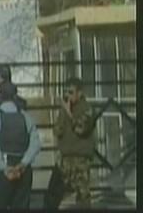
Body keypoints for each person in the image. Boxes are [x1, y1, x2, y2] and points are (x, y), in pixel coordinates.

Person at [0, 80, 41, 209]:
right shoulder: (25, 116)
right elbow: (36, 143)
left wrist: (4, 167)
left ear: (0, 96)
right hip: (23, 169)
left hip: (2, 168)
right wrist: (23, 163)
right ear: (15, 96)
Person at [44, 77, 96, 209]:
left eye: (71, 92)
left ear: (80, 93)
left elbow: (81, 129)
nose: (67, 95)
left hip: (80, 160)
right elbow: (57, 130)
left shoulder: (87, 109)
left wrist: (69, 113)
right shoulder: (65, 109)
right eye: (66, 92)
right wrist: (63, 114)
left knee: (82, 197)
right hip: (65, 160)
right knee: (52, 194)